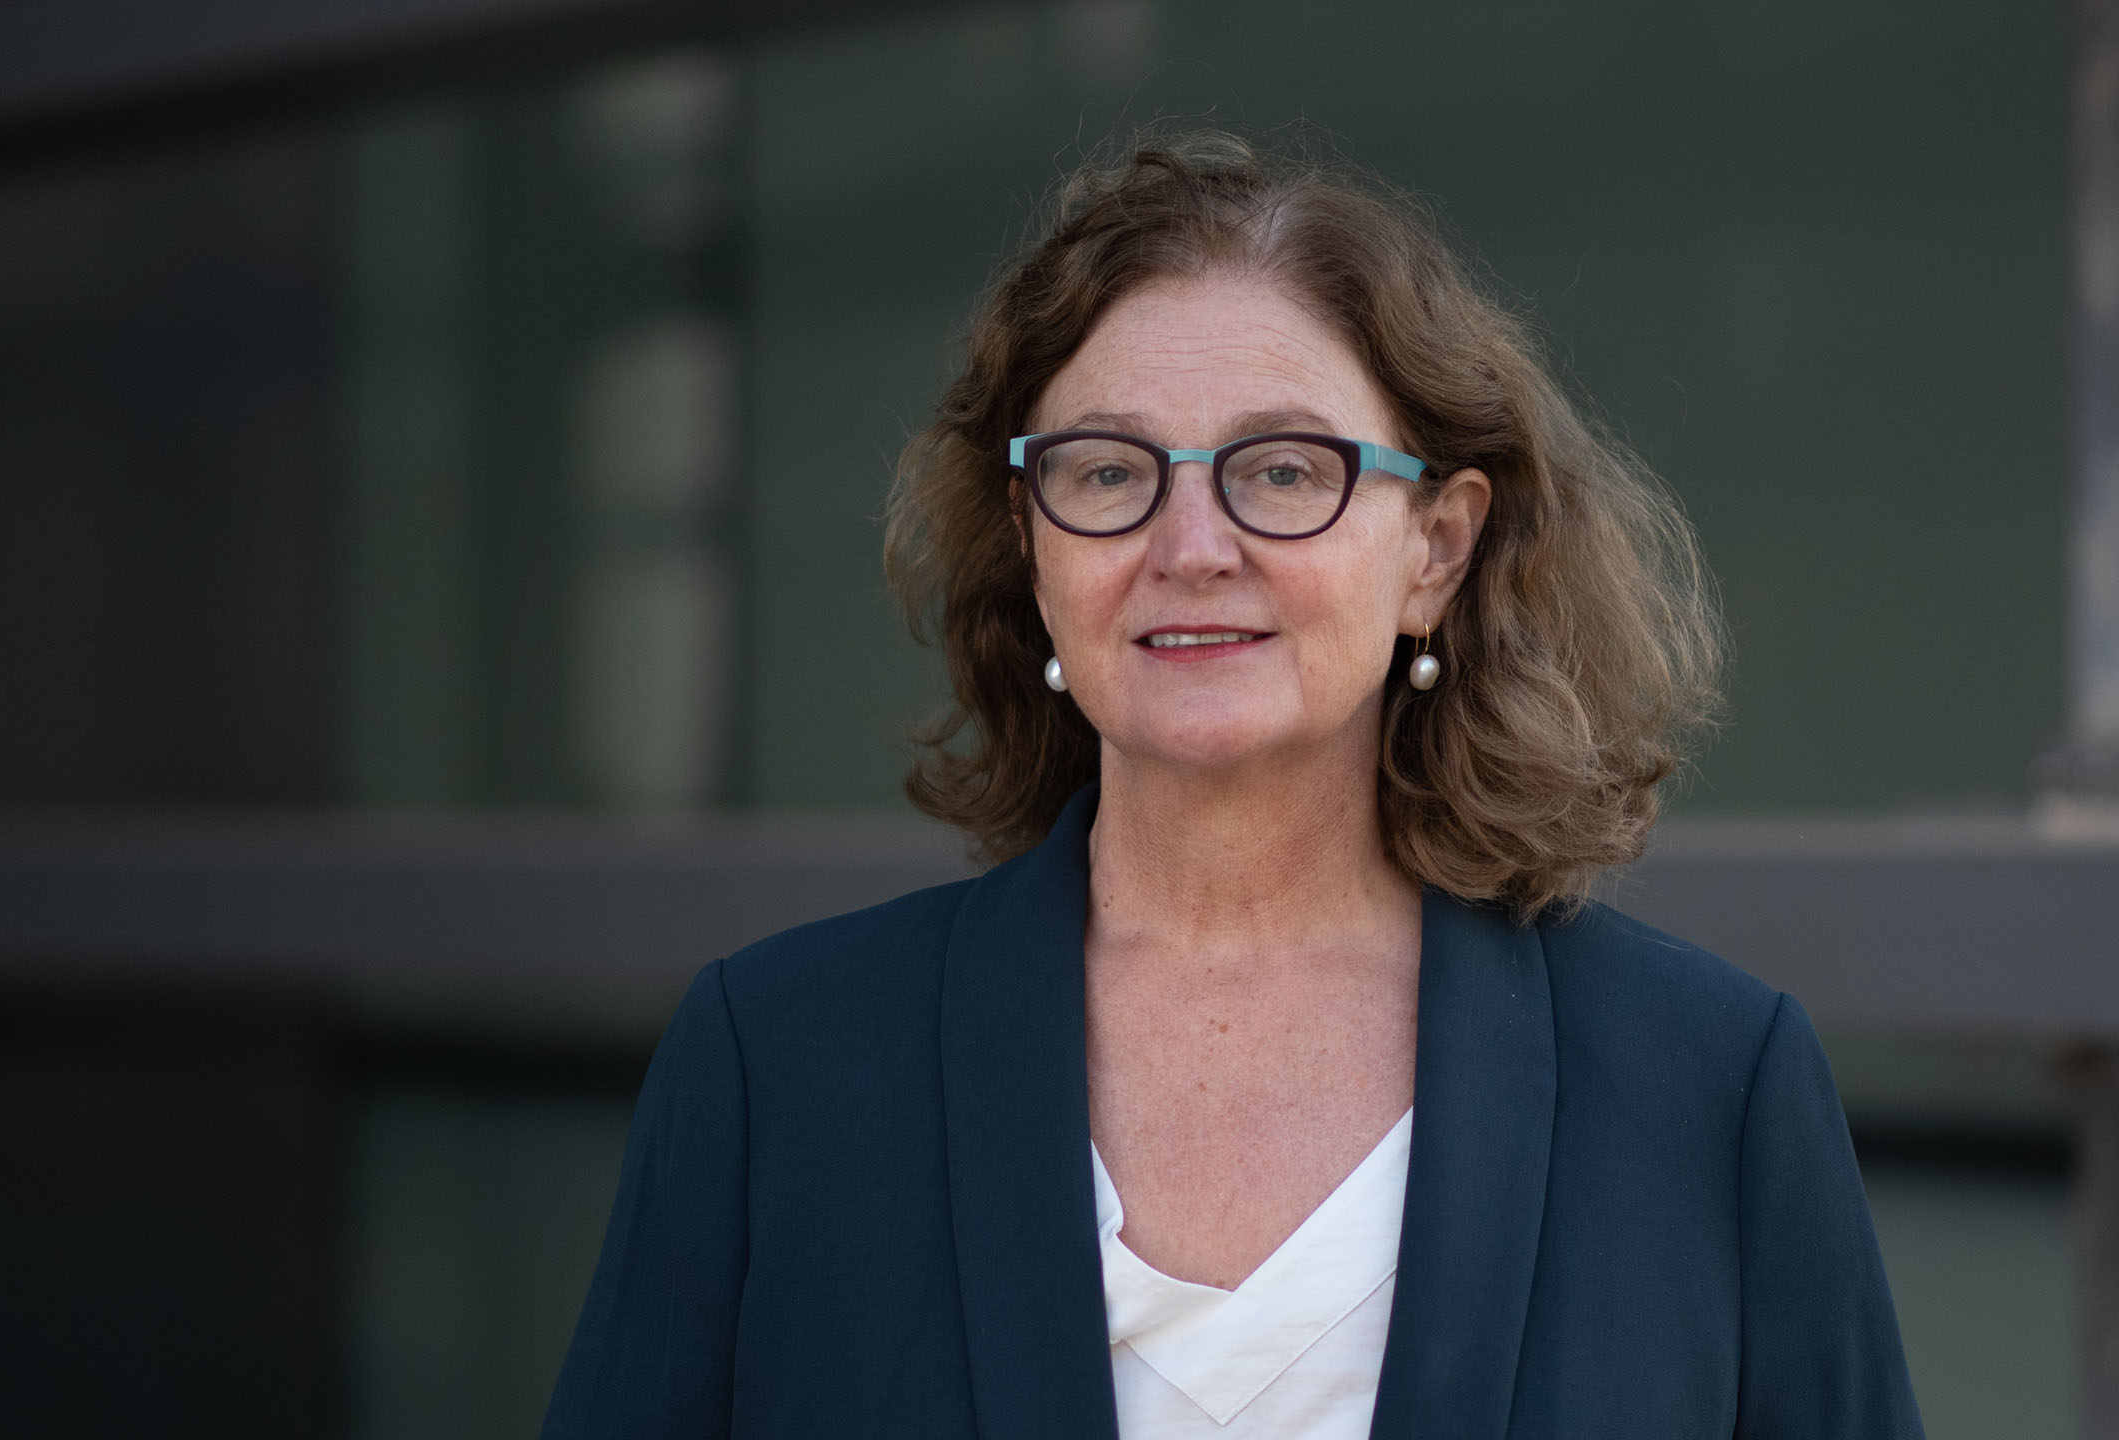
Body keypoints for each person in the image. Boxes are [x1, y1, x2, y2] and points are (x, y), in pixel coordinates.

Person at [541, 131, 1922, 1439]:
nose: (1191, 544)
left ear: (1436, 550)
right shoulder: (776, 1065)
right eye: (1107, 472)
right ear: (1033, 546)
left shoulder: (1710, 1087)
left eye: (1284, 469)